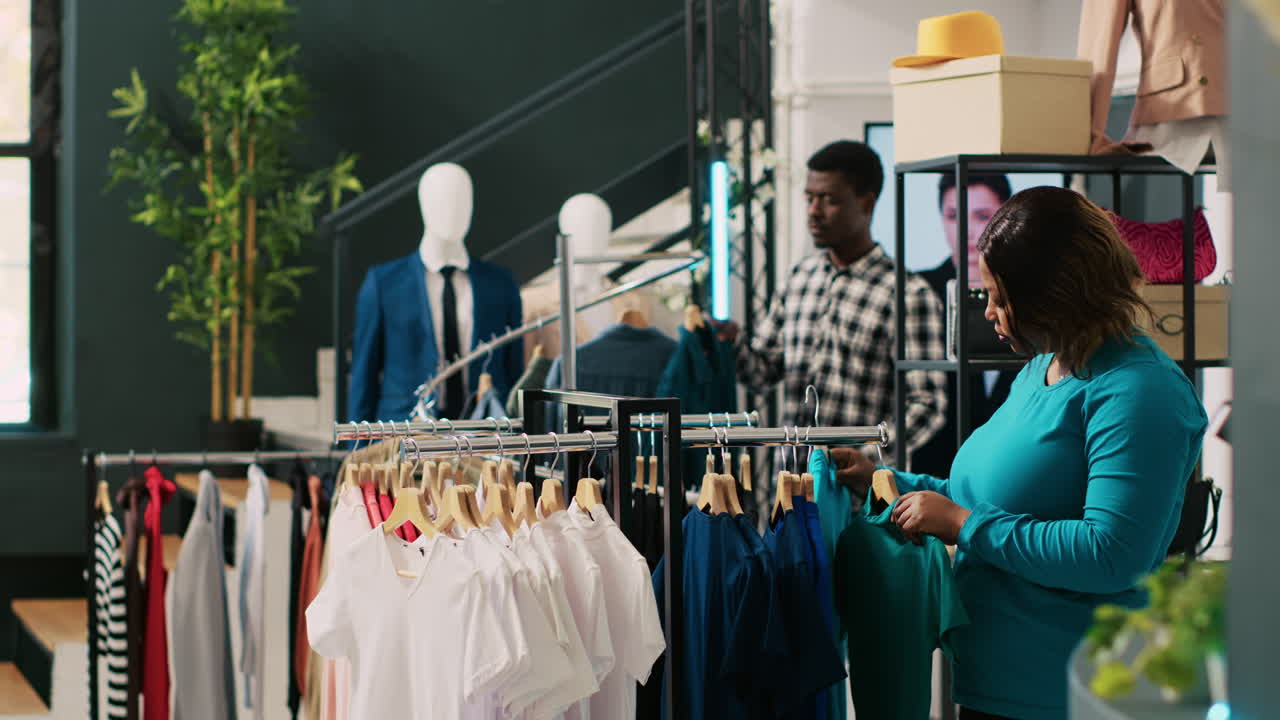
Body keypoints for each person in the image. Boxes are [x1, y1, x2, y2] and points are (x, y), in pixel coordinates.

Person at [832, 186, 1208, 720]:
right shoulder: (1046, 366)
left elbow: (1112, 554)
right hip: (997, 691)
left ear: (1057, 296)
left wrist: (966, 526)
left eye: (1001, 298)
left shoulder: (1138, 392)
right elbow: (980, 497)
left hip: (1071, 698)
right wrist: (883, 480)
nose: (989, 312)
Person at [721, 140, 948, 456]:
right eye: (809, 198)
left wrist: (863, 456)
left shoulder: (909, 296)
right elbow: (762, 374)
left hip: (859, 496)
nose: (814, 212)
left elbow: (928, 405)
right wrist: (731, 342)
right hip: (788, 487)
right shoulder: (797, 280)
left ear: (866, 204)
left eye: (828, 200)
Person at [913, 172, 1017, 477]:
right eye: (953, 216)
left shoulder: (1032, 294)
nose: (967, 231)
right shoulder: (916, 291)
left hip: (1011, 475)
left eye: (982, 216)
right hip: (931, 475)